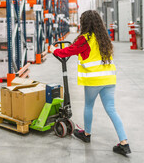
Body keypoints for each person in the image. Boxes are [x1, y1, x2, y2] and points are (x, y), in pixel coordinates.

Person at [49, 10, 131, 156]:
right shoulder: (104, 37)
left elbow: (68, 51)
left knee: (88, 106)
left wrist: (54, 50)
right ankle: (124, 143)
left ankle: (86, 134)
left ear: (84, 23)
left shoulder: (85, 39)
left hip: (94, 80)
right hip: (109, 79)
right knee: (111, 109)